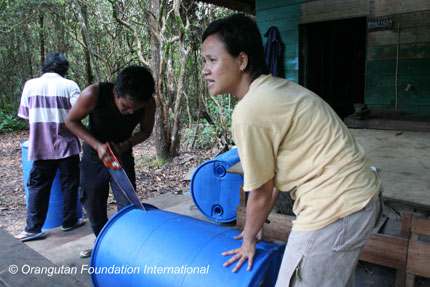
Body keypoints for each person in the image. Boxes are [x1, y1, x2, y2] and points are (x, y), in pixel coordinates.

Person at [201, 14, 382, 287]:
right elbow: (272, 179)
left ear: (241, 60)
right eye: (205, 61)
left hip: (334, 208)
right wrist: (256, 223)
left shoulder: (249, 111)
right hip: (358, 200)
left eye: (212, 60)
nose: (205, 70)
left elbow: (260, 192)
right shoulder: (275, 89)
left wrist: (248, 240)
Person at [66, 65, 156, 258]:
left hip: (121, 153)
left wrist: (125, 145)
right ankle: (102, 241)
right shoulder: (93, 94)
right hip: (93, 154)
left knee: (128, 201)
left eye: (135, 109)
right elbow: (71, 121)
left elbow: (146, 131)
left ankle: (125, 245)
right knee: (92, 202)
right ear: (116, 92)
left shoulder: (148, 103)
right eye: (126, 107)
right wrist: (98, 146)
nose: (130, 112)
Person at [15, 52, 86, 242]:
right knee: (70, 184)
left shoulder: (30, 85)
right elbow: (78, 114)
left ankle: (32, 229)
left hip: (41, 146)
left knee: (38, 186)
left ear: (45, 66)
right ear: (64, 69)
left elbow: (26, 116)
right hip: (67, 145)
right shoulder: (70, 86)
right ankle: (69, 221)